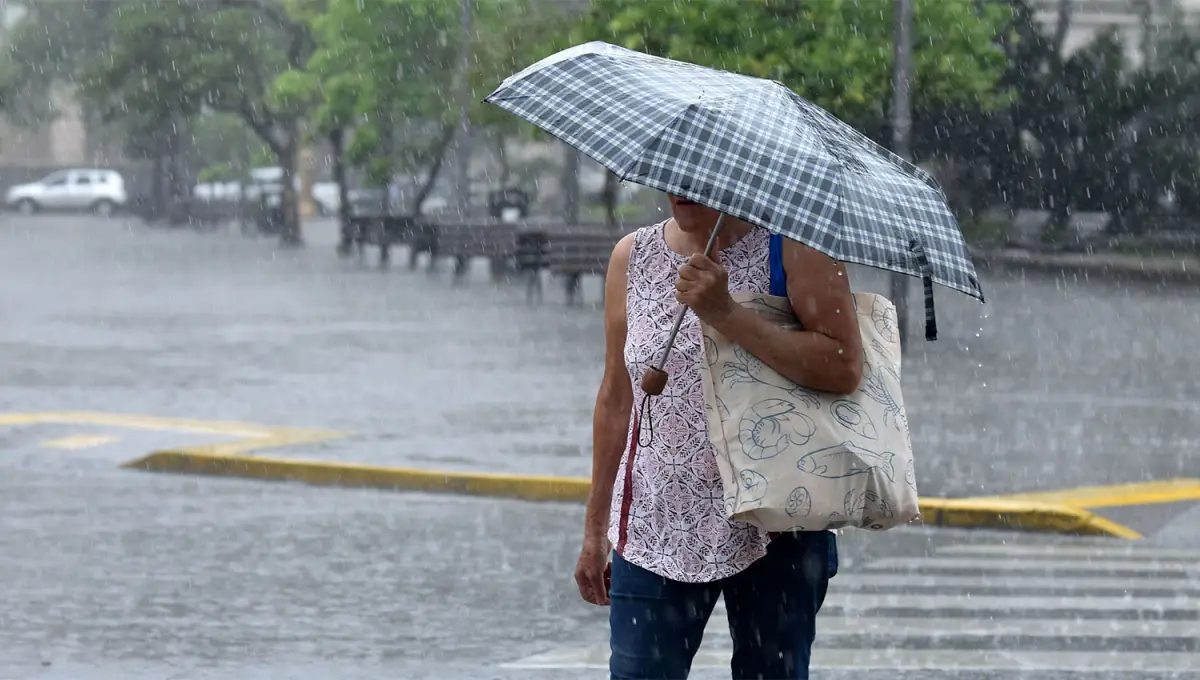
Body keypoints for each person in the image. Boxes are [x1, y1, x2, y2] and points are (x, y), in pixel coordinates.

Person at [575, 194, 864, 680]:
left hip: (776, 520)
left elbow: (844, 367)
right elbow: (616, 397)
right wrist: (595, 529)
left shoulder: (796, 248)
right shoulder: (633, 255)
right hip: (656, 521)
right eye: (673, 174)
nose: (681, 188)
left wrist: (726, 312)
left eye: (697, 179)